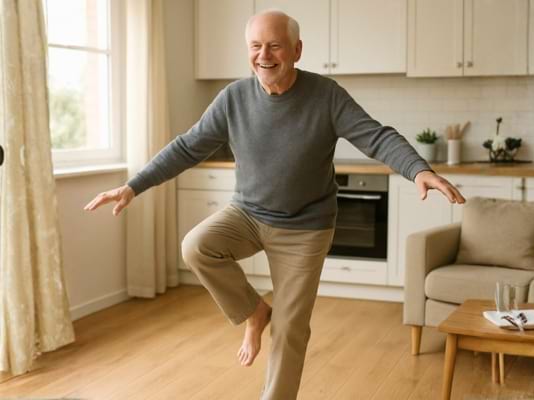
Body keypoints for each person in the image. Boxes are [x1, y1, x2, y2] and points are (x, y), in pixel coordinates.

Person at [84, 10, 466, 400]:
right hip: (247, 214)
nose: (264, 55)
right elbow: (187, 147)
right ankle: (255, 311)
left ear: (296, 51)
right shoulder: (233, 98)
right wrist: (133, 186)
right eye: (255, 46)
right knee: (196, 247)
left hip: (306, 227)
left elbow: (377, 137)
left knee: (291, 327)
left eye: (275, 45)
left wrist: (418, 170)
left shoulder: (326, 95)